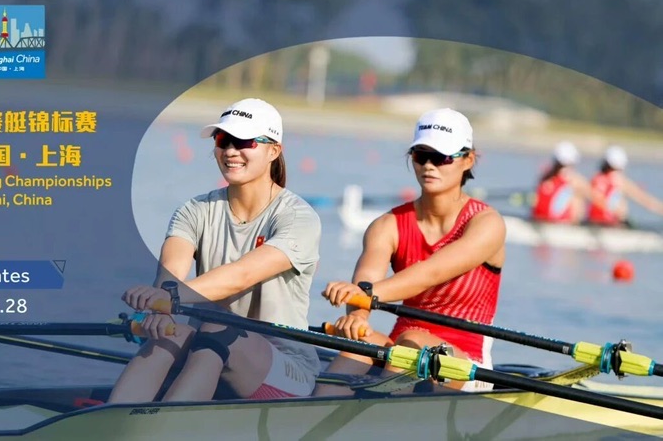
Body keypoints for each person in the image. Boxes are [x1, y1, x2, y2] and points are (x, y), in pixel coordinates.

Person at [108, 98, 322, 404]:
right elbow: (170, 276)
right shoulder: (194, 210)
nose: (231, 151)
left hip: (286, 367)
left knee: (218, 327)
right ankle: (115, 416)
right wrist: (160, 309)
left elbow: (242, 275)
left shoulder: (298, 218)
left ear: (274, 151)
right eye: (223, 140)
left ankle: (167, 423)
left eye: (244, 142)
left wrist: (169, 298)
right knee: (169, 333)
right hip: (207, 352)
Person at [314, 108, 505, 395]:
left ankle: (377, 408)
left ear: (468, 160)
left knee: (412, 341)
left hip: (467, 364)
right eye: (421, 155)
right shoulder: (386, 226)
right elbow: (366, 282)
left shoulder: (487, 224)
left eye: (441, 157)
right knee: (359, 346)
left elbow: (431, 273)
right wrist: (357, 318)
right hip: (401, 349)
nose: (429, 166)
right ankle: (314, 410)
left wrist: (363, 294)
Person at [530, 141, 605, 224]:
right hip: (562, 224)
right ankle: (576, 225)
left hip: (538, 220)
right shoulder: (574, 179)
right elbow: (598, 200)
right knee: (577, 196)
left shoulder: (545, 177)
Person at [587, 145, 663, 226]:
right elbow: (645, 200)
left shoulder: (596, 178)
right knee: (622, 202)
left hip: (592, 220)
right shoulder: (619, 180)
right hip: (611, 222)